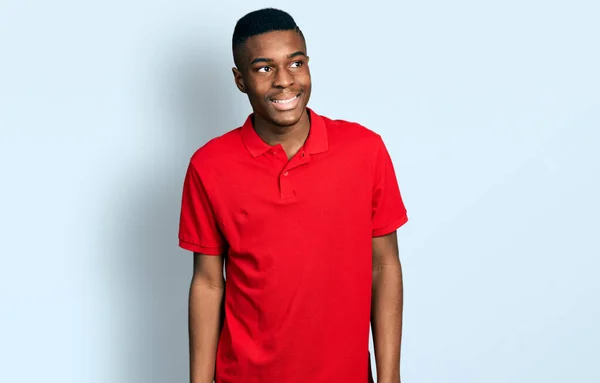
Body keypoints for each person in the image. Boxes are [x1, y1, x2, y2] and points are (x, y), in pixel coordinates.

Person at [178, 7, 408, 383]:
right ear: (240, 80)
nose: (285, 81)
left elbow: (384, 266)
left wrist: (390, 377)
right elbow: (207, 282)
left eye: (296, 63)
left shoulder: (364, 150)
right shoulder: (209, 165)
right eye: (264, 68)